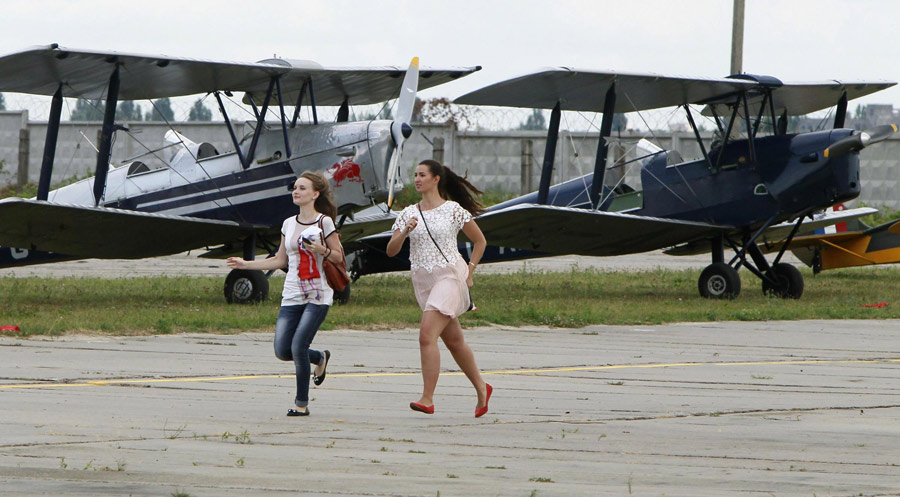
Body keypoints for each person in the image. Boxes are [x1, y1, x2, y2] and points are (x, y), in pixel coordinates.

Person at [227, 171, 343, 417]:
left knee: (299, 346)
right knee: (282, 350)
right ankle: (320, 358)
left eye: (302, 188)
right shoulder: (288, 223)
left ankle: (301, 404)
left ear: (315, 194)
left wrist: (321, 249)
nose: (296, 192)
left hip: (317, 294)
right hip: (292, 294)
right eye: (295, 188)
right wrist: (246, 264)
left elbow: (338, 256)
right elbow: (280, 260)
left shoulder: (324, 222)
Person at [386, 159, 493, 418]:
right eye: (415, 175)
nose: (417, 179)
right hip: (423, 281)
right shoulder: (408, 213)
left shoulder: (453, 210)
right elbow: (391, 251)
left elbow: (480, 241)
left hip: (450, 276)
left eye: (422, 175)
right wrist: (405, 230)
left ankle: (427, 398)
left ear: (436, 179)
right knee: (455, 342)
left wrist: (470, 271)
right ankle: (482, 388)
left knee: (426, 336)